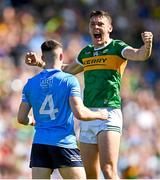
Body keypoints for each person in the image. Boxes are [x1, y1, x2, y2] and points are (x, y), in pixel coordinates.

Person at [25, 10, 153, 179]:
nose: (96, 27)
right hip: (88, 114)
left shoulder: (117, 47)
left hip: (109, 113)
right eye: (93, 24)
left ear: (109, 28)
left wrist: (148, 45)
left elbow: (140, 54)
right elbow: (67, 70)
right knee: (90, 174)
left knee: (108, 169)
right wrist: (41, 63)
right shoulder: (86, 52)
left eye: (100, 24)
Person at [17, 39, 108, 179]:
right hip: (63, 143)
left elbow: (21, 118)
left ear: (42, 58)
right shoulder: (69, 80)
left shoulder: (30, 83)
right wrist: (100, 114)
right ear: (61, 57)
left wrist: (32, 121)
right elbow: (80, 113)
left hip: (40, 144)